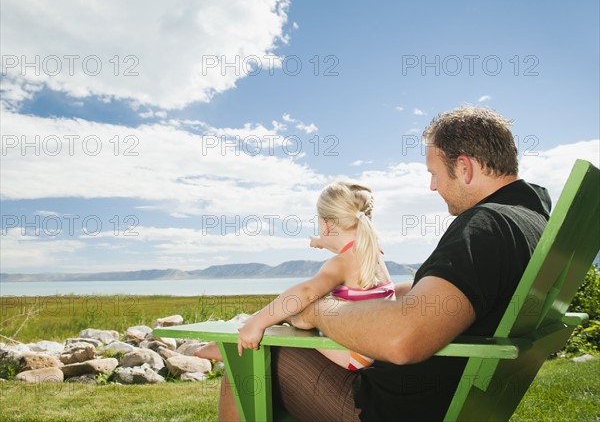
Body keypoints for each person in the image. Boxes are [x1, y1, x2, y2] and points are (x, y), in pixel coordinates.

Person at [217, 106, 553, 422]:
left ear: (464, 168)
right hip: (447, 397)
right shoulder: (529, 219)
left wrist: (315, 309)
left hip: (392, 407)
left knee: (244, 359)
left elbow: (401, 340)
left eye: (434, 174)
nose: (432, 185)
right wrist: (378, 292)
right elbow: (454, 293)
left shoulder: (486, 225)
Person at [196, 180, 395, 371]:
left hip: (353, 354)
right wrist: (322, 242)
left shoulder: (340, 263)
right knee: (291, 312)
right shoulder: (373, 254)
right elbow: (346, 250)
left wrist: (259, 323)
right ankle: (245, 327)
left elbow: (307, 292)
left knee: (295, 307)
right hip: (376, 348)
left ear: (326, 225)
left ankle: (237, 338)